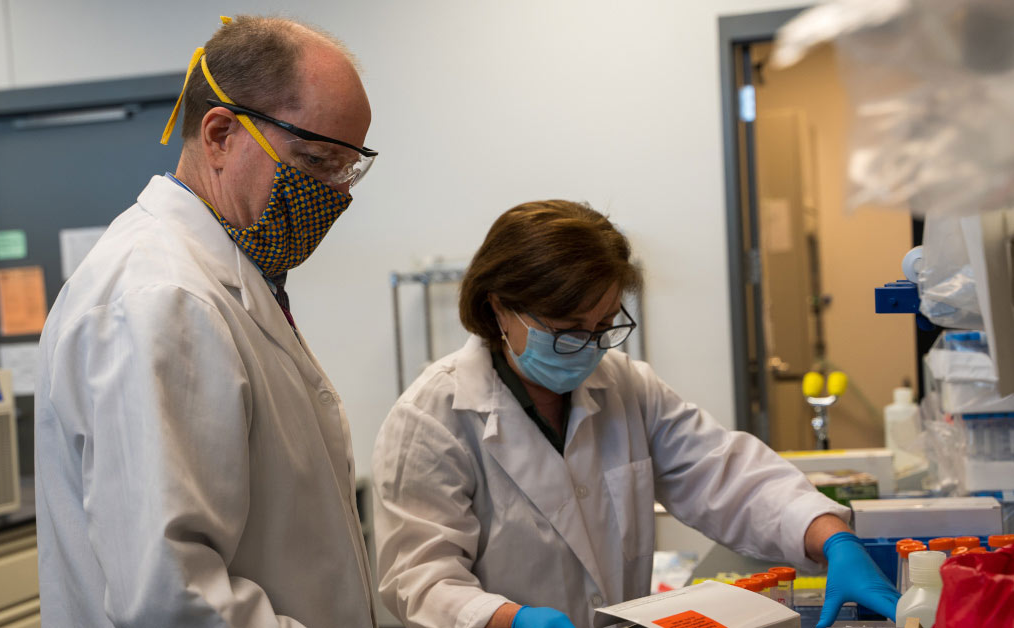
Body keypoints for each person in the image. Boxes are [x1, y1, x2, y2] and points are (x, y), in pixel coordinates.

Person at [371, 200, 899, 628]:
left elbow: (728, 475)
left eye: (603, 325)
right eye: (566, 329)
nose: (588, 345)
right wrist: (507, 619)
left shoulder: (625, 385)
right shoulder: (432, 418)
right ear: (498, 308)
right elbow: (418, 577)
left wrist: (832, 536)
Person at [35, 15, 378, 627]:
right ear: (220, 134)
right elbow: (173, 601)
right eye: (317, 160)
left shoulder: (228, 279)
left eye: (347, 169)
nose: (334, 192)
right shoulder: (161, 297)